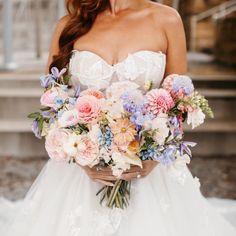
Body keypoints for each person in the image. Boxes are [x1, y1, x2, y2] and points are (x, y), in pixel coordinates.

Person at [2, 0, 236, 235]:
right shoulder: (69, 25)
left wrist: (154, 155)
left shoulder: (167, 19)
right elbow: (53, 101)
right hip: (85, 173)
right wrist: (81, 155)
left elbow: (178, 102)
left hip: (148, 171)